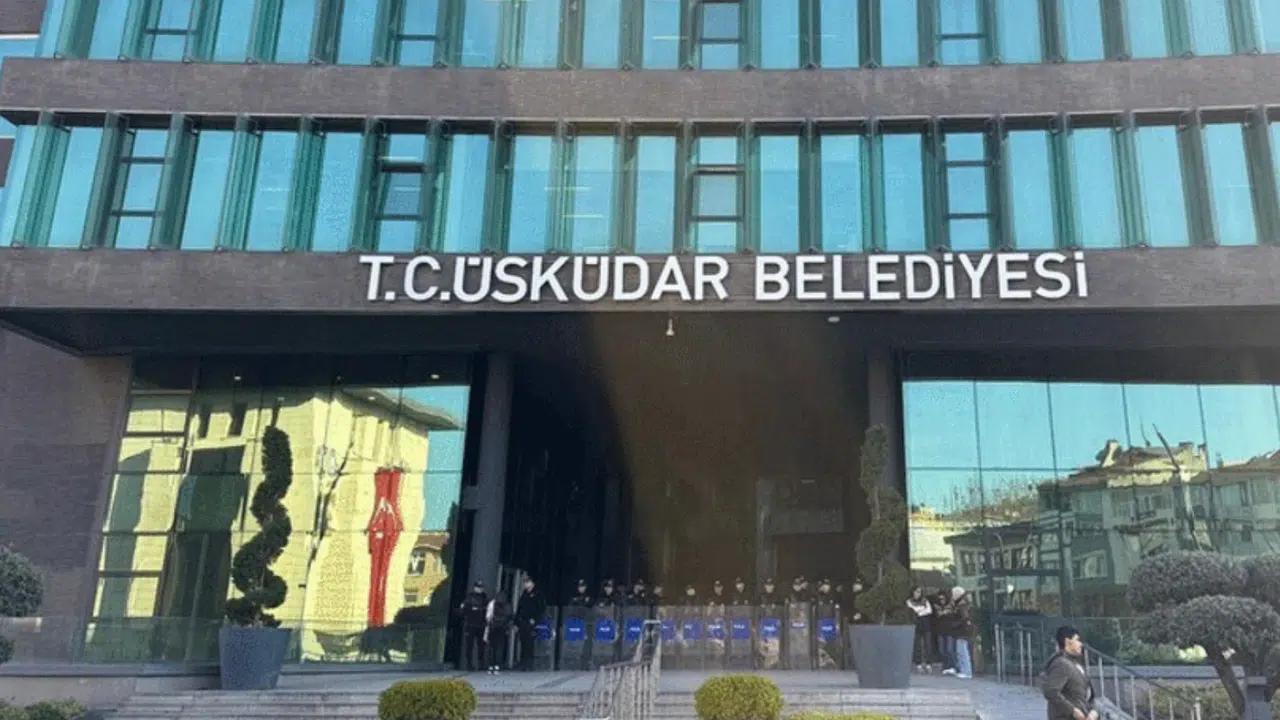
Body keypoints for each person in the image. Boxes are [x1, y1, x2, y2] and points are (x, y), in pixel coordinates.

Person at [1042, 626, 1098, 720]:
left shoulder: (1076, 664)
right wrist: (1072, 710)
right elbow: (1051, 691)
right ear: (1067, 641)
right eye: (1077, 640)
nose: (1081, 644)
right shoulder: (1061, 663)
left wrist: (1094, 711)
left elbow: (1089, 695)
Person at [515, 576, 547, 671]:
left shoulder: (537, 594)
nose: (526, 584)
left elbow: (541, 609)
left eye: (528, 582)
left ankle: (529, 663)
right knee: (523, 641)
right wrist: (516, 622)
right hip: (522, 621)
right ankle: (523, 662)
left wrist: (535, 619)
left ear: (532, 583)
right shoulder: (524, 594)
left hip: (531, 622)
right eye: (525, 582)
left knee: (530, 643)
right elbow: (519, 608)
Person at [458, 581, 489, 671]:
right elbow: (463, 609)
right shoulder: (469, 597)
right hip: (470, 624)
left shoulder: (485, 598)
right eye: (478, 587)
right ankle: (469, 664)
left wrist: (477, 609)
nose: (480, 589)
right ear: (475, 588)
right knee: (469, 645)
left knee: (481, 645)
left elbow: (487, 610)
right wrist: (473, 610)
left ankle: (481, 663)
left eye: (481, 587)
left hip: (481, 625)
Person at [484, 592, 513, 674]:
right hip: (502, 628)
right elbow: (510, 616)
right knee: (500, 647)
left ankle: (490, 665)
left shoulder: (492, 604)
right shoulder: (507, 605)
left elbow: (488, 617)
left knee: (491, 647)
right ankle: (497, 666)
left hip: (492, 627)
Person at [950, 586, 975, 679]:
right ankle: (964, 670)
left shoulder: (962, 605)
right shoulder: (964, 604)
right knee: (962, 651)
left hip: (962, 631)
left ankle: (966, 671)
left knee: (962, 651)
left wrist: (955, 624)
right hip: (964, 630)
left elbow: (963, 618)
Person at [907, 587, 933, 672]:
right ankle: (918, 663)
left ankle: (928, 663)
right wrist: (922, 609)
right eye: (916, 591)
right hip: (916, 625)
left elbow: (929, 610)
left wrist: (920, 611)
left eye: (919, 592)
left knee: (927, 645)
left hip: (926, 625)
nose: (917, 593)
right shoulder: (909, 601)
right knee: (917, 645)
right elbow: (913, 610)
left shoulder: (925, 601)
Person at [933, 589, 956, 674]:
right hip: (940, 630)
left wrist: (945, 612)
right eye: (940, 599)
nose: (941, 600)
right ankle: (945, 666)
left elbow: (953, 614)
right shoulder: (936, 606)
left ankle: (952, 666)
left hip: (949, 630)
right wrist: (944, 612)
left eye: (943, 599)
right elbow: (937, 615)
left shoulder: (951, 605)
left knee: (949, 649)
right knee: (942, 650)